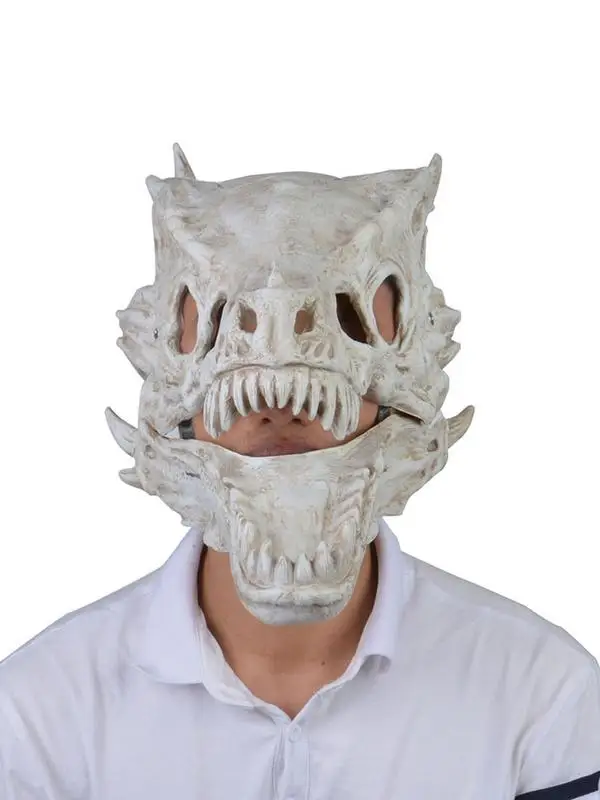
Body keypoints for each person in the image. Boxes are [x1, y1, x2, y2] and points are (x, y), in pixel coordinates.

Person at [1, 145, 598, 800]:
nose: (280, 399)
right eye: (216, 317)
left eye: (350, 314)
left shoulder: (544, 695)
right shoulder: (37, 717)